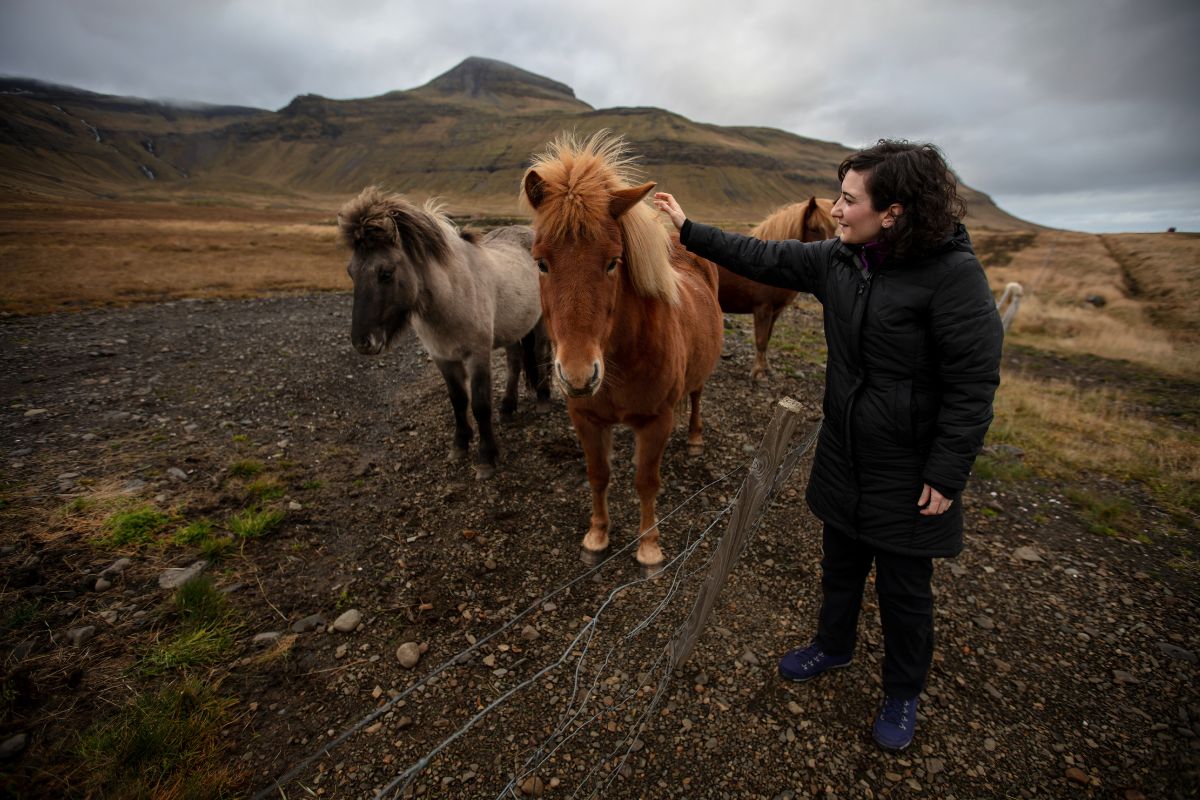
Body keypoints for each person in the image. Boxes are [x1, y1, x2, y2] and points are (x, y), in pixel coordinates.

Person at [654, 140, 1003, 751]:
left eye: (849, 199)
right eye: (839, 197)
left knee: (903, 590)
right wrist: (688, 229)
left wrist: (947, 474)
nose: (836, 210)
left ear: (892, 212)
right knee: (839, 567)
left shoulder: (953, 277)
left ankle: (901, 691)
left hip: (910, 466)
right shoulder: (840, 261)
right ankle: (833, 646)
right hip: (844, 452)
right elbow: (762, 255)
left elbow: (973, 384)